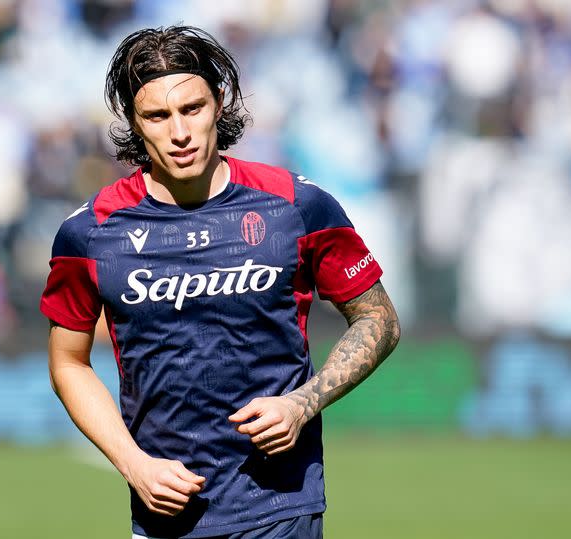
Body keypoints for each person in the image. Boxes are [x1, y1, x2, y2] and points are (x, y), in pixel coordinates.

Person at [40, 25, 400, 539]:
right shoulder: (90, 233)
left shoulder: (297, 206)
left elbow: (379, 318)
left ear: (220, 103)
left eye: (192, 109)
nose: (179, 132)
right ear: (133, 123)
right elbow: (67, 363)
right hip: (166, 510)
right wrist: (134, 464)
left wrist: (304, 401)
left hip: (281, 506)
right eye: (157, 116)